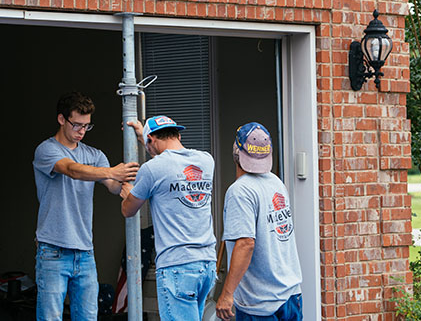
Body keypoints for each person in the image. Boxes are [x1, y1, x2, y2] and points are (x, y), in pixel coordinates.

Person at [33, 91, 139, 320]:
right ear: (62, 119)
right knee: (50, 317)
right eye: (77, 125)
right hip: (52, 250)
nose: (82, 131)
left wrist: (125, 186)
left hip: (85, 252)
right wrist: (111, 171)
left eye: (87, 126)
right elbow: (71, 169)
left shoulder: (94, 155)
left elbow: (111, 185)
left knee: (88, 316)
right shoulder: (46, 150)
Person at [120, 115, 217, 321]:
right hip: (206, 264)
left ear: (151, 141)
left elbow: (128, 210)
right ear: (178, 135)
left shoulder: (152, 169)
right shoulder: (206, 161)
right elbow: (172, 161)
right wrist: (145, 137)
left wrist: (128, 193)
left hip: (177, 267)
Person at [216, 122, 303, 321]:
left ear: (236, 153)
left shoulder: (239, 191)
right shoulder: (276, 182)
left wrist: (227, 294)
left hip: (260, 303)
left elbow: (246, 243)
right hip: (291, 295)